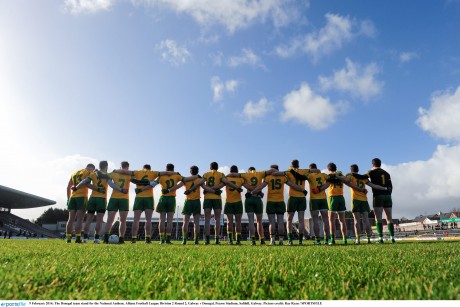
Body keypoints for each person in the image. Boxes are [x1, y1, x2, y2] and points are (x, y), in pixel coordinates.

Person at [112, 164, 176, 244]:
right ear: (150, 169)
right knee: (148, 220)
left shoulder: (137, 172)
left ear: (143, 168)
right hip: (149, 198)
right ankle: (148, 238)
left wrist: (115, 170)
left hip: (138, 197)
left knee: (136, 220)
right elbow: (166, 173)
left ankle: (134, 238)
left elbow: (125, 171)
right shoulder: (153, 173)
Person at [250, 164, 307, 245]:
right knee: (280, 222)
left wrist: (252, 192)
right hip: (280, 201)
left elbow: (260, 187)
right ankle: (281, 240)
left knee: (272, 222)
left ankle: (272, 240)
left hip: (271, 201)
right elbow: (293, 185)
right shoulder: (283, 177)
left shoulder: (268, 177)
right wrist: (302, 190)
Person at [74, 161, 122, 243]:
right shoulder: (107, 175)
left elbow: (84, 182)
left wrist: (76, 187)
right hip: (101, 199)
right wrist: (120, 189)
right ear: (106, 166)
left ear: (99, 166)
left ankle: (85, 238)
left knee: (88, 219)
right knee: (99, 220)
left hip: (92, 198)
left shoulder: (93, 174)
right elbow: (111, 185)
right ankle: (96, 239)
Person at [227, 166, 276, 245]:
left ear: (248, 171)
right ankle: (262, 239)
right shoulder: (260, 173)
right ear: (255, 170)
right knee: (259, 222)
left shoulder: (245, 175)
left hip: (249, 199)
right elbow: (272, 170)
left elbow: (233, 174)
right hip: (257, 199)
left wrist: (225, 176)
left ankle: (253, 240)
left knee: (250, 221)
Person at [321, 162, 363, 245]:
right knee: (342, 220)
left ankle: (332, 240)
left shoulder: (329, 175)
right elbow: (349, 183)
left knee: (331, 220)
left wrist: (319, 189)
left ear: (328, 169)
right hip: (341, 197)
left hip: (332, 197)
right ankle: (345, 239)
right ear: (335, 168)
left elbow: (327, 184)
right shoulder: (341, 175)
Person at [290, 163, 331, 245]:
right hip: (323, 199)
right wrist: (320, 189)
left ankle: (318, 240)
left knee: (315, 221)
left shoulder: (309, 175)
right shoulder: (323, 175)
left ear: (310, 169)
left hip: (314, 200)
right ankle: (327, 240)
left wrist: (291, 170)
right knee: (326, 220)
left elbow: (299, 177)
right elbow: (329, 182)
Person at [346, 164, 387, 244]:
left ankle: (357, 239)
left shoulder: (351, 176)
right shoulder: (364, 178)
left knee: (356, 220)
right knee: (366, 220)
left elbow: (346, 181)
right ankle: (368, 239)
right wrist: (384, 188)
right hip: (364, 200)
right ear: (358, 170)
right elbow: (373, 185)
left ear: (351, 170)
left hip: (356, 200)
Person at [202, 162, 241, 245]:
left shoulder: (206, 174)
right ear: (217, 168)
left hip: (207, 198)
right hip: (217, 198)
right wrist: (236, 187)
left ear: (210, 168)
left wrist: (208, 189)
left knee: (207, 220)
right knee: (217, 220)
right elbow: (225, 183)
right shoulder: (221, 174)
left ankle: (207, 240)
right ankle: (217, 239)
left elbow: (201, 184)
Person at [285, 159, 321, 245]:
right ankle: (300, 241)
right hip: (302, 197)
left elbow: (278, 174)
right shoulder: (304, 171)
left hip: (293, 197)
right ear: (298, 165)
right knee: (301, 220)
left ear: (291, 165)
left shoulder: (288, 171)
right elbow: (318, 170)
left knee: (289, 219)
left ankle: (290, 240)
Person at [179, 166, 214, 245]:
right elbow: (206, 188)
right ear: (197, 172)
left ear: (190, 172)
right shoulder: (200, 180)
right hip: (196, 202)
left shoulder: (186, 179)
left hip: (188, 201)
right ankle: (196, 240)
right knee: (196, 222)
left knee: (185, 222)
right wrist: (214, 191)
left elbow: (178, 185)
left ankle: (184, 240)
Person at [362, 158, 394, 243]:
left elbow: (363, 177)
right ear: (380, 164)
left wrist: (369, 184)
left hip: (378, 196)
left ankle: (380, 238)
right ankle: (392, 238)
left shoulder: (371, 172)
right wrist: (388, 193)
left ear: (372, 164)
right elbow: (391, 187)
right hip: (387, 196)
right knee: (389, 218)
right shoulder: (387, 173)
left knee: (378, 218)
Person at [66, 163, 95, 243]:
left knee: (70, 219)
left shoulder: (74, 173)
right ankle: (78, 238)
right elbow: (87, 183)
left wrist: (68, 199)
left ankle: (68, 239)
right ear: (91, 168)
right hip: (82, 197)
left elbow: (68, 187)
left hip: (72, 197)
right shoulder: (88, 173)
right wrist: (96, 188)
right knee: (80, 219)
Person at [103, 161, 130, 244]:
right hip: (124, 199)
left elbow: (110, 183)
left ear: (120, 166)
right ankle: (121, 239)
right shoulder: (129, 174)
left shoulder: (114, 173)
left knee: (109, 220)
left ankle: (106, 238)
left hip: (114, 198)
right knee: (123, 221)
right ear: (128, 167)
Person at [224, 165, 246, 245]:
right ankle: (238, 240)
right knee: (238, 222)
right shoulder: (240, 179)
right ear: (237, 172)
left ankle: (230, 240)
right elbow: (248, 187)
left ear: (230, 171)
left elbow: (219, 185)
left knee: (229, 222)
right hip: (238, 202)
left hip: (229, 202)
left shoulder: (226, 178)